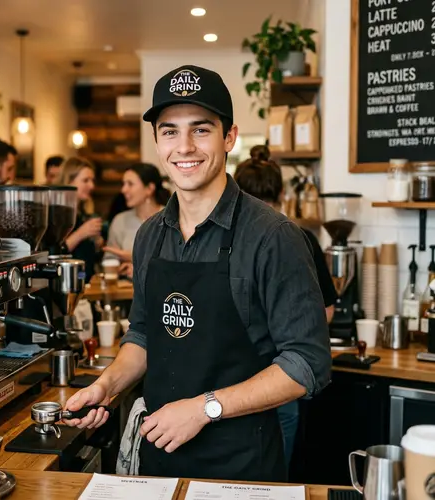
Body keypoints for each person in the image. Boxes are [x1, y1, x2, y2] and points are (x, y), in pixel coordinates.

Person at [64, 65, 332, 482]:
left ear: (229, 137)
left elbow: (306, 364)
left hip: (241, 467)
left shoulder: (273, 237)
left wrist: (203, 408)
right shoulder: (149, 235)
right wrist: (107, 386)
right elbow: (142, 334)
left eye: (201, 130)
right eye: (170, 131)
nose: (184, 146)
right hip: (160, 458)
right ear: (157, 141)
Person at [234, 144, 337, 470]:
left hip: (256, 381)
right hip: (278, 380)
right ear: (282, 192)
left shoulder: (277, 237)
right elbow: (325, 310)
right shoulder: (297, 235)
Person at [103, 163, 170, 278]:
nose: (123, 190)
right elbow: (109, 259)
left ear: (149, 188)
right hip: (125, 292)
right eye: (123, 184)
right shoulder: (120, 220)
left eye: (130, 184)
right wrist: (120, 268)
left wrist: (136, 261)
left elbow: (176, 261)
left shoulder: (170, 219)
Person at [61, 156, 103, 283]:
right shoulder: (59, 215)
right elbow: (54, 254)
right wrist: (81, 233)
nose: (91, 186)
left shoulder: (82, 214)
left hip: (84, 285)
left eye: (92, 180)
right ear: (69, 181)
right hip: (66, 285)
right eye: (85, 180)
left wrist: (97, 243)